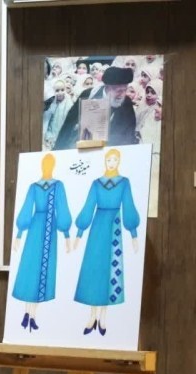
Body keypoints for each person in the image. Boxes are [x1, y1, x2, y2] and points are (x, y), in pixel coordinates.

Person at [72, 149, 140, 336]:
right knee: (93, 270)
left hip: (113, 229)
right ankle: (92, 315)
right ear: (105, 161)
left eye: (115, 159)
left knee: (108, 270)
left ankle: (103, 316)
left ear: (119, 161)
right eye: (109, 159)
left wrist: (133, 234)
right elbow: (88, 207)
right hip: (97, 229)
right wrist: (79, 232)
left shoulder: (124, 183)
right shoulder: (96, 183)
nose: (111, 163)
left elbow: (129, 206)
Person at [11, 153, 72, 332]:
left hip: (49, 231)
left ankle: (32, 315)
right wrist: (19, 233)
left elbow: (62, 209)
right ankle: (27, 314)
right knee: (30, 269)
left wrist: (66, 234)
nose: (47, 167)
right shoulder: (34, 187)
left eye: (50, 164)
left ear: (53, 166)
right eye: (45, 164)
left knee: (41, 271)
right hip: (36, 229)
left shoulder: (58, 186)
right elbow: (26, 209)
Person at [53, 66, 138, 151]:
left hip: (112, 151)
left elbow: (129, 134)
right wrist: (58, 150)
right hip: (84, 147)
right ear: (107, 87)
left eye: (125, 90)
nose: (122, 95)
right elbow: (69, 124)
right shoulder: (88, 95)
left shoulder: (127, 103)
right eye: (119, 91)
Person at [43, 80, 74, 150]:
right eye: (57, 91)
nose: (60, 93)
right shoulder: (50, 105)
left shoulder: (69, 102)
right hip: (51, 136)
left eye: (62, 90)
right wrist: (48, 136)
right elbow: (47, 123)